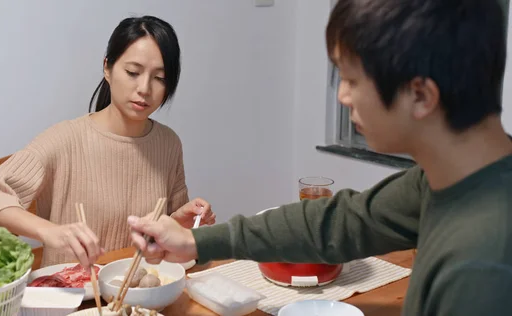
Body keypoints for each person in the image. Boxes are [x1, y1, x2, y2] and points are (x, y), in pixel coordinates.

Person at [127, 1, 512, 315]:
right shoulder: (446, 178)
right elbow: (339, 222)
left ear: (421, 96)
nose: (343, 97)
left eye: (352, 79)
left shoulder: (482, 268)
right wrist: (197, 241)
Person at [0, 15, 215, 269]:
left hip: (142, 294)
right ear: (107, 68)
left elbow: (165, 243)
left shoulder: (168, 143)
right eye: (133, 72)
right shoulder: (65, 140)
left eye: (159, 78)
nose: (144, 88)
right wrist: (50, 232)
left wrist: (179, 222)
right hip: (76, 297)